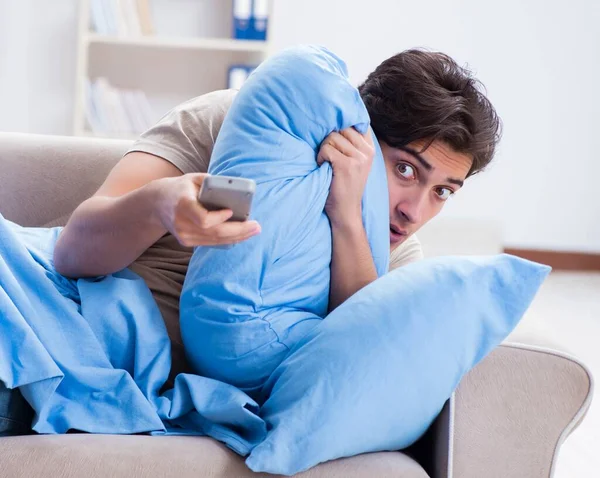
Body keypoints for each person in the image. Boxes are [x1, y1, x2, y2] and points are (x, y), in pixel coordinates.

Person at [0, 48, 501, 437]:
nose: (414, 211)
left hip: (142, 373)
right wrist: (160, 206)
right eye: (405, 169)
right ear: (358, 131)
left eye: (442, 192)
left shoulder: (392, 255)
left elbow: (352, 367)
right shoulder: (240, 126)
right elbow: (71, 253)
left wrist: (348, 215)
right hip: (52, 309)